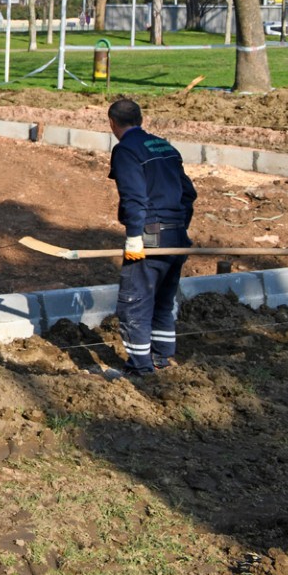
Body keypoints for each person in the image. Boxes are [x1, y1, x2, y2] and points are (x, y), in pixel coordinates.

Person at [108, 96, 198, 376]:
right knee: (162, 299)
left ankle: (140, 367)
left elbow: (134, 197)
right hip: (176, 236)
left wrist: (136, 236)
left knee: (135, 301)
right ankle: (161, 356)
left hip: (151, 235)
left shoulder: (126, 150)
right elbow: (188, 194)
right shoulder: (164, 145)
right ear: (141, 120)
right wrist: (179, 228)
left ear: (112, 123)